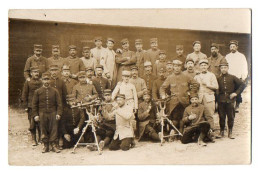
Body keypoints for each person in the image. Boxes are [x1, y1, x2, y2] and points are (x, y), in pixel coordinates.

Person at [160, 60, 195, 134]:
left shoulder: (186, 76)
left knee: (184, 118)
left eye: (178, 66)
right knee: (175, 119)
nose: (177, 68)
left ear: (181, 67)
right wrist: (163, 95)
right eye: (175, 66)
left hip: (184, 102)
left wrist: (191, 94)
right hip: (174, 102)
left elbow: (196, 84)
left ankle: (181, 133)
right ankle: (175, 133)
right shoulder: (170, 77)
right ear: (173, 67)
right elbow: (162, 88)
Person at [32, 72, 62, 153]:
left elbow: (59, 104)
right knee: (43, 129)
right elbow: (34, 105)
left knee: (53, 129)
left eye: (48, 79)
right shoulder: (37, 91)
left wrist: (58, 113)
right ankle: (45, 145)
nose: (46, 81)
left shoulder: (55, 91)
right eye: (44, 79)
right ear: (42, 80)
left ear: (50, 80)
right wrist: (35, 115)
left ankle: (53, 145)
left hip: (53, 112)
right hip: (42, 113)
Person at [216, 59, 245, 139]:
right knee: (221, 116)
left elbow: (242, 85)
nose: (223, 69)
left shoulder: (232, 77)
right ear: (220, 69)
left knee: (231, 116)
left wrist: (236, 93)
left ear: (228, 68)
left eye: (225, 67)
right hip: (221, 100)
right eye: (222, 68)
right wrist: (216, 101)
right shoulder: (218, 78)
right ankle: (222, 132)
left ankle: (230, 132)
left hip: (230, 100)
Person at [194, 59, 219, 139]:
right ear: (199, 67)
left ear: (207, 66)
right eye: (202, 65)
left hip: (209, 98)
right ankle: (202, 134)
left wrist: (207, 84)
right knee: (200, 116)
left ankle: (212, 132)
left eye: (205, 65)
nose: (203, 67)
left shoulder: (211, 75)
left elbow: (216, 87)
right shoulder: (197, 76)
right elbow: (194, 87)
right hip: (200, 98)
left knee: (210, 115)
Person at [21, 66, 42, 146]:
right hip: (31, 106)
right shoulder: (28, 82)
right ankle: (34, 139)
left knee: (40, 122)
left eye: (37, 72)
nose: (36, 74)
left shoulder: (41, 82)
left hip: (40, 105)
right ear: (31, 73)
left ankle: (41, 138)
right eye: (34, 72)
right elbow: (24, 94)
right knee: (32, 123)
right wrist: (26, 106)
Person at [225, 40, 248, 111]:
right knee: (231, 90)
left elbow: (244, 66)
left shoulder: (241, 56)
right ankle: (230, 104)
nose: (232, 48)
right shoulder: (227, 56)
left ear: (237, 47)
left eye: (234, 46)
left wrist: (243, 76)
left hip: (238, 76)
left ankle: (237, 105)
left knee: (238, 91)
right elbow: (226, 66)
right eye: (231, 47)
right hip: (230, 76)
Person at [49, 64, 68, 149]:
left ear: (59, 71)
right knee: (52, 124)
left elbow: (65, 95)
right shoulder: (48, 81)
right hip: (51, 106)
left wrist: (65, 106)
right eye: (52, 70)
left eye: (55, 70)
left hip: (60, 106)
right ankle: (53, 141)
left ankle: (60, 139)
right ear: (50, 71)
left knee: (61, 123)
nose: (54, 72)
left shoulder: (62, 82)